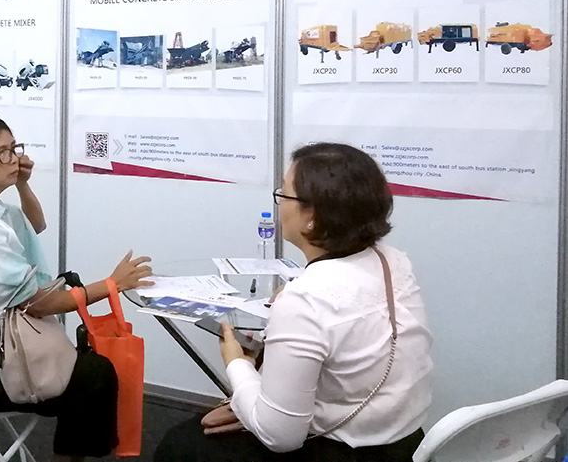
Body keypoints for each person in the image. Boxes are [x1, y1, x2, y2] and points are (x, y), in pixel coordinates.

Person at [155, 143, 433, 462]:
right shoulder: (392, 261)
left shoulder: (305, 298)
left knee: (180, 444)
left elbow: (280, 437)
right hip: (404, 443)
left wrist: (237, 364)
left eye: (283, 194)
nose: (279, 204)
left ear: (312, 216)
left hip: (343, 452)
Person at [0, 113, 153, 461]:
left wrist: (22, 184)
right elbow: (40, 305)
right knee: (94, 376)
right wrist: (112, 284)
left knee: (88, 369)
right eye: (3, 153)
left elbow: (36, 223)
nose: (15, 159)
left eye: (14, 148)